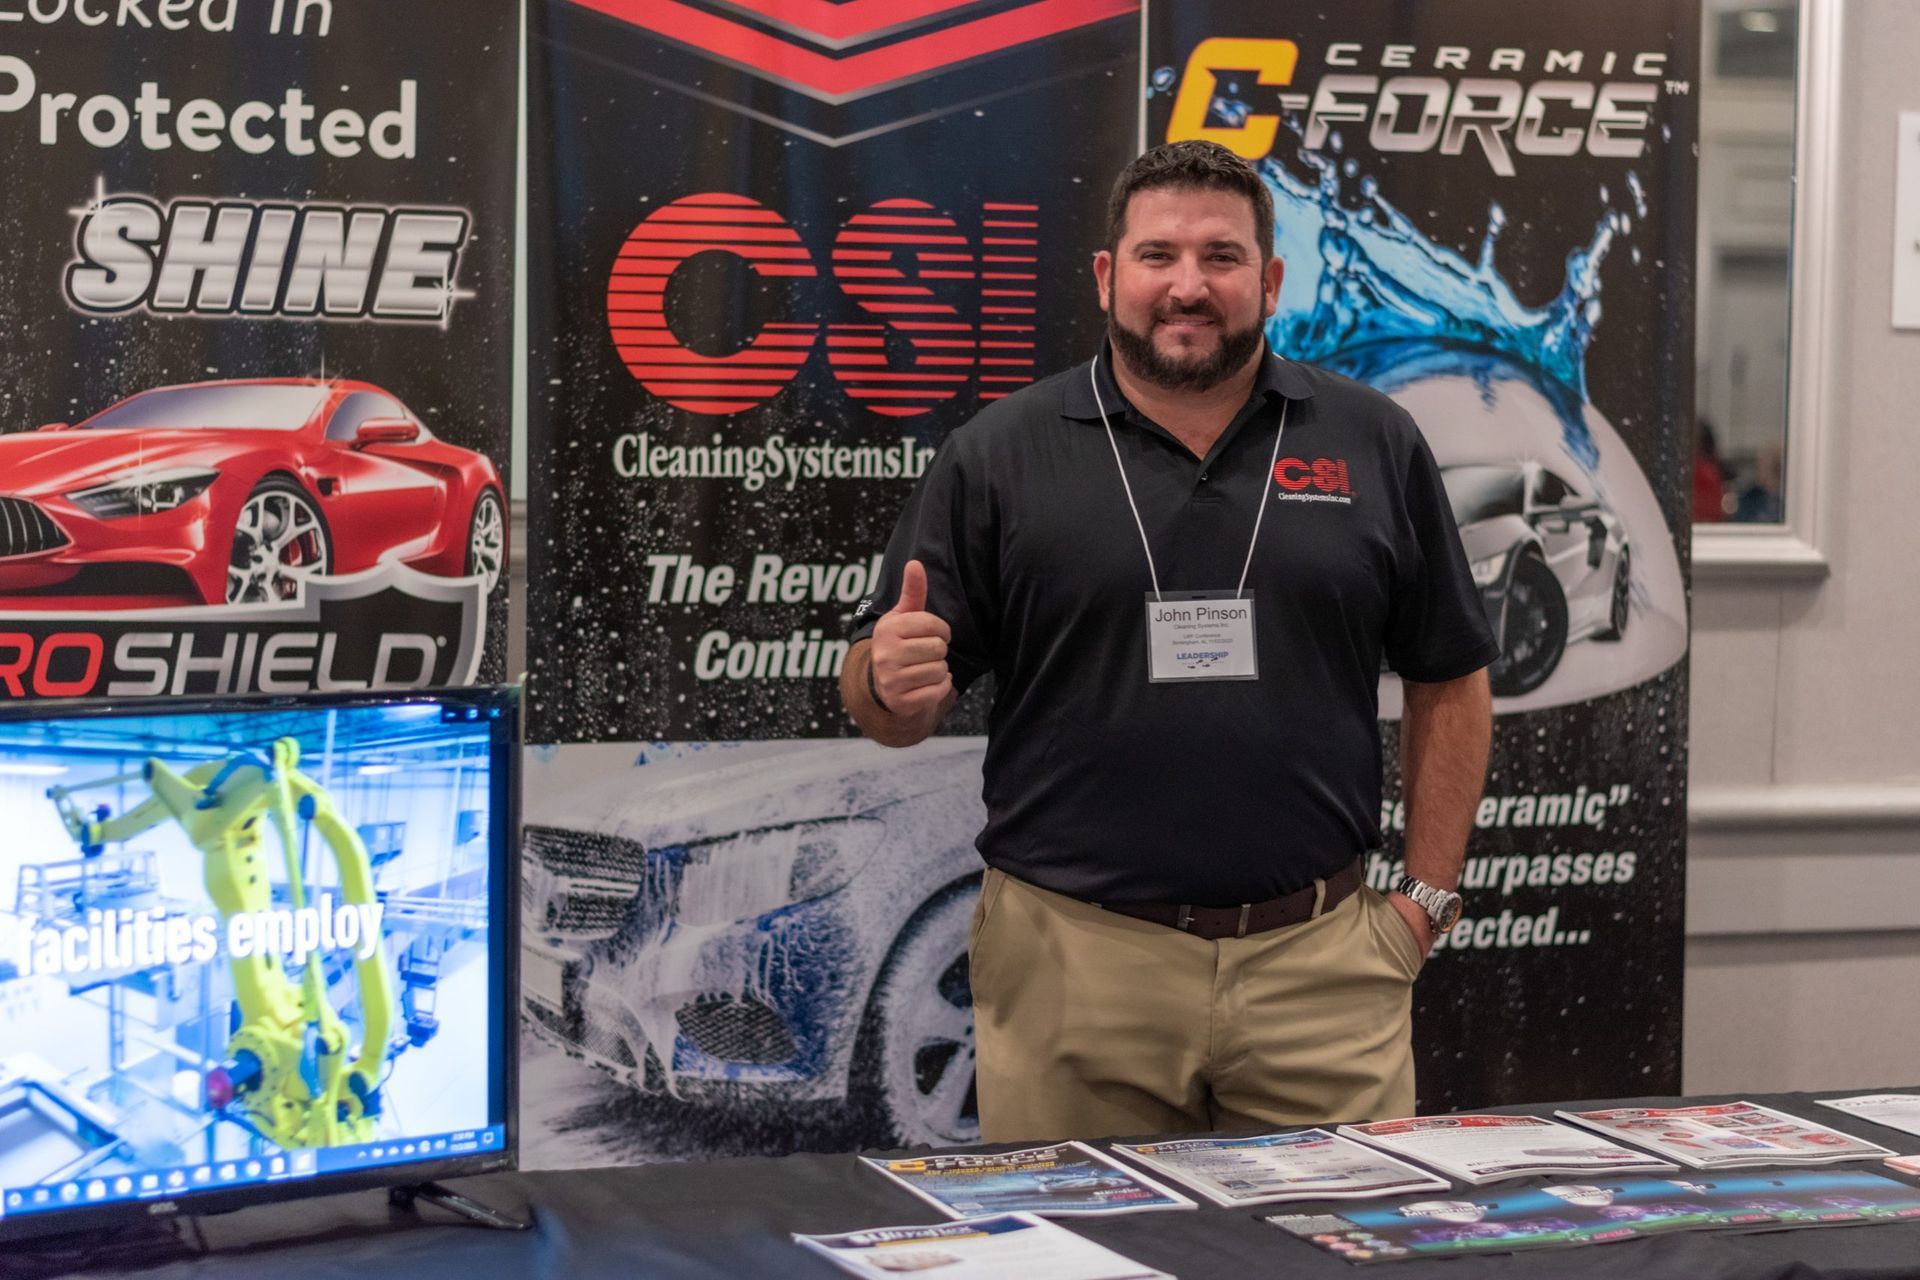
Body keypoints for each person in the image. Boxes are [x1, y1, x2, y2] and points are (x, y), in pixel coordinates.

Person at [839, 140, 1495, 1143]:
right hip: (1073, 970)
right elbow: (882, 705)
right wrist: (886, 685)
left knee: (1337, 1250)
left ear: (1270, 281)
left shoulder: (1373, 440)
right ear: (1109, 276)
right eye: (1158, 255)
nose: (1188, 286)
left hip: (1322, 972)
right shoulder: (1000, 452)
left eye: (1221, 258)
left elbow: (1452, 677)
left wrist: (1424, 903)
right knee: (1081, 1254)